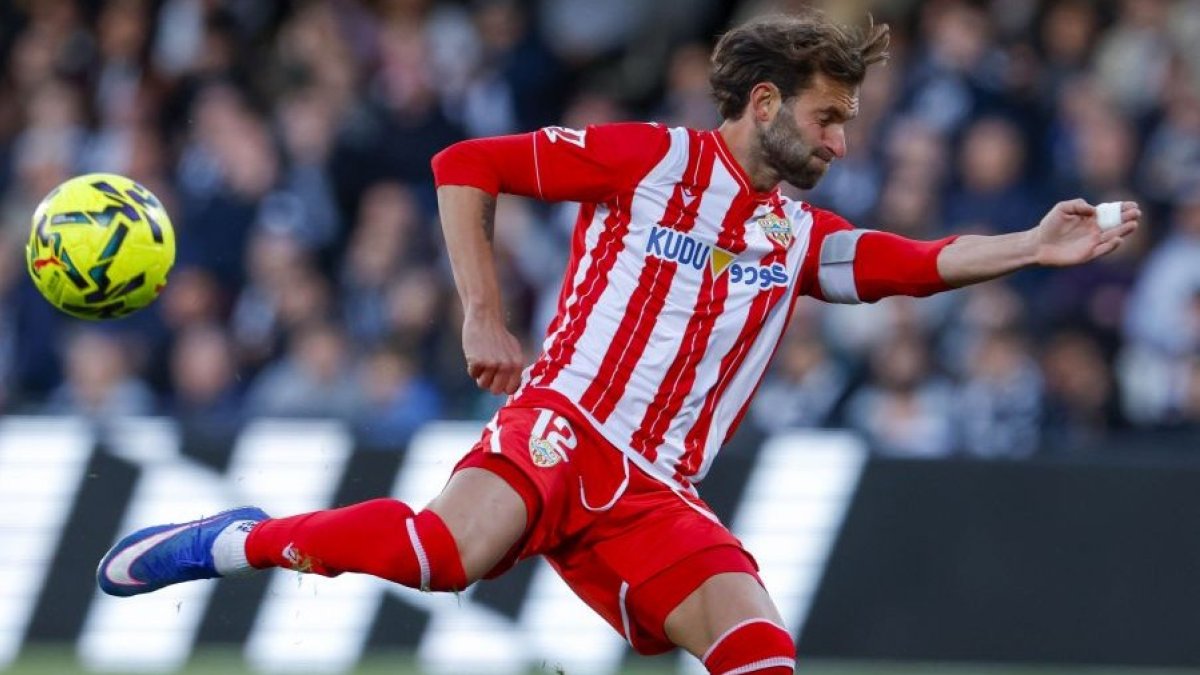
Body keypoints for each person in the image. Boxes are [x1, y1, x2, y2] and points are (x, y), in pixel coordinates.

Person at [96, 11, 1140, 674]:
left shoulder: (795, 235)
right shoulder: (648, 160)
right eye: (828, 117)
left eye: (850, 122)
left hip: (658, 493)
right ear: (766, 102)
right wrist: (481, 308)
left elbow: (912, 262)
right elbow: (466, 162)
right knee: (440, 555)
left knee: (762, 658)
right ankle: (233, 541)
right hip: (566, 421)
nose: (840, 141)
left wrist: (1035, 249)